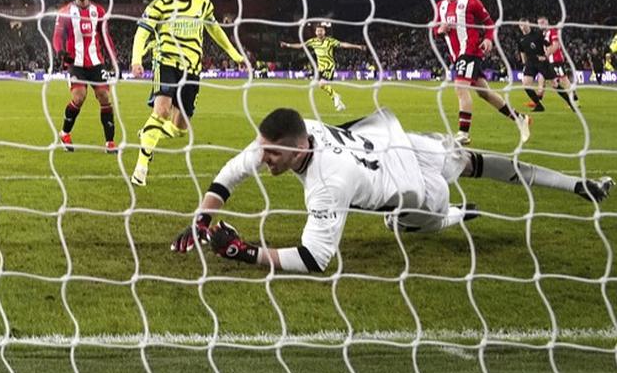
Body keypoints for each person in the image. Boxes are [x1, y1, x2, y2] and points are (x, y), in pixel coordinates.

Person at [170, 107, 611, 271]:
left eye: (273, 156)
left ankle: (577, 185)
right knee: (472, 171)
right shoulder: (283, 136)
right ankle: (574, 186)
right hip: (392, 144)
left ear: (301, 145)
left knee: (439, 206)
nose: (265, 161)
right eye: (264, 152)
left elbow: (315, 259)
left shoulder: (327, 182)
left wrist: (245, 252)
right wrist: (201, 219)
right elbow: (230, 173)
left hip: (411, 185)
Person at [129, 0, 246, 186]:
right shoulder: (161, 3)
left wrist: (235, 55)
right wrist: (136, 60)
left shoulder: (203, 3)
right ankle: (141, 167)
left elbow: (215, 31)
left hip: (192, 69)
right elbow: (142, 32)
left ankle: (149, 134)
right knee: (161, 110)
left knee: (180, 128)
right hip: (166, 63)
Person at [432, 0, 529, 145]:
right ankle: (520, 118)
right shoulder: (440, 6)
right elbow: (435, 30)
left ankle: (463, 133)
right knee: (485, 93)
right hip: (457, 55)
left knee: (460, 88)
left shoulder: (471, 2)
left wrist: (488, 39)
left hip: (470, 51)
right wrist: (440, 30)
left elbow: (489, 24)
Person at [52, 0, 118, 153]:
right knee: (79, 97)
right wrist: (59, 51)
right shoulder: (65, 12)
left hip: (96, 62)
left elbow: (105, 36)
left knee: (104, 96)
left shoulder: (99, 11)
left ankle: (110, 143)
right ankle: (65, 133)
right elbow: (58, 36)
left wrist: (113, 56)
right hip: (76, 63)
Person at [279, 21, 366, 112]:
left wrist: (358, 46)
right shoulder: (313, 41)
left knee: (322, 84)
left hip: (329, 66)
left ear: (324, 32)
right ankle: (340, 104)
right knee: (321, 85)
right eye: (318, 31)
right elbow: (300, 46)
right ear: (315, 32)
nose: (319, 32)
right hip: (320, 68)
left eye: (321, 31)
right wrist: (287, 45)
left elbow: (343, 44)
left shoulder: (330, 41)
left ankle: (336, 96)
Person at [537, 16, 579, 112]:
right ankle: (538, 100)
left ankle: (574, 100)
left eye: (543, 22)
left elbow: (556, 46)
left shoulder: (552, 31)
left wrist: (545, 55)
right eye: (539, 23)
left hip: (556, 59)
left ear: (547, 21)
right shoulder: (543, 34)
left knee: (563, 79)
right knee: (546, 79)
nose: (541, 24)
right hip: (549, 60)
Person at [515, 19, 549, 112]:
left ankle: (572, 101)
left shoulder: (537, 34)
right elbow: (522, 52)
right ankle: (539, 105)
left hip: (541, 61)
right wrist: (524, 64)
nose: (523, 27)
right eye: (521, 26)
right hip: (530, 62)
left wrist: (546, 56)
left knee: (542, 89)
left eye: (524, 25)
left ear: (528, 24)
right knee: (526, 84)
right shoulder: (520, 39)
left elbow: (546, 45)